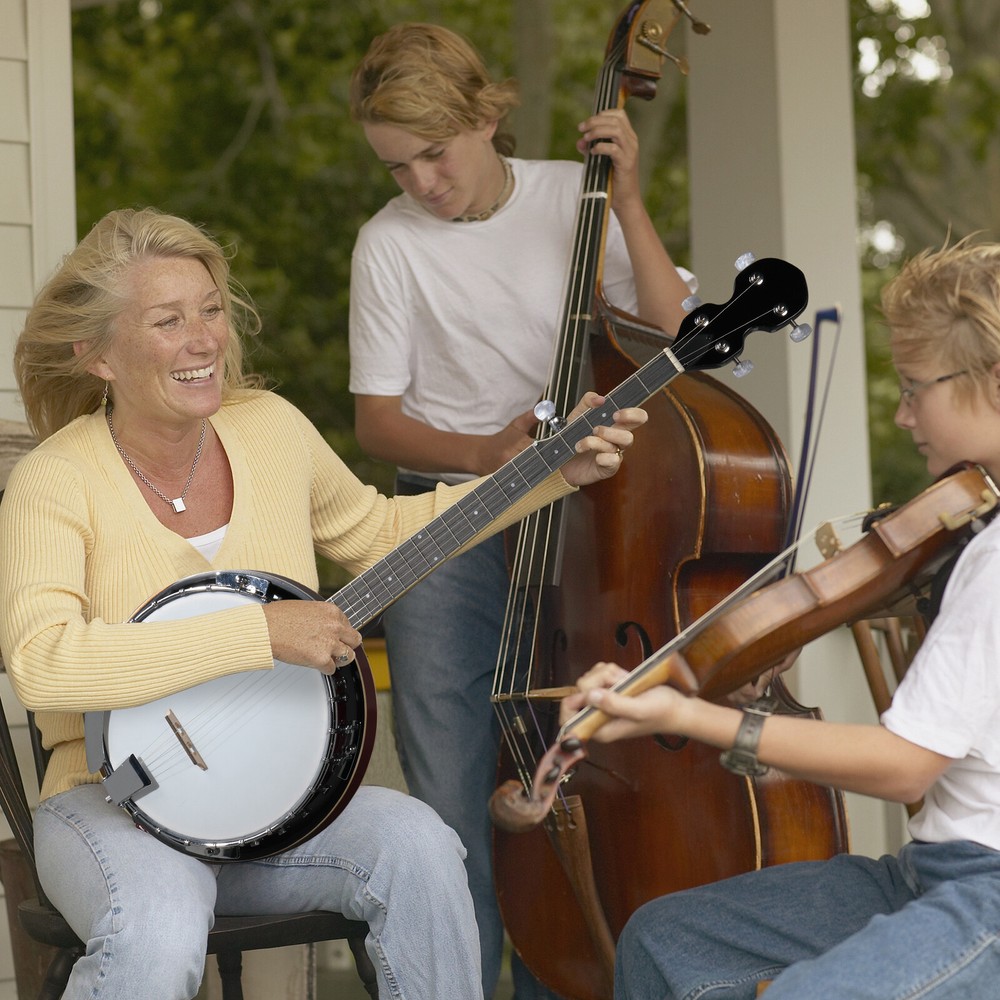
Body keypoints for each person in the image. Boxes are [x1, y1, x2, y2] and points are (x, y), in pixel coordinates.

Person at [0, 206, 646, 1000]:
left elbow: (380, 533)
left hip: (274, 807)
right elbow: (43, 664)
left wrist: (549, 473)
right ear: (95, 355)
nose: (205, 340)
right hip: (113, 804)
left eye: (211, 311)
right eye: (169, 322)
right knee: (159, 925)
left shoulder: (270, 428)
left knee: (419, 844)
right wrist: (258, 632)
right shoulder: (54, 480)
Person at [545, 238, 1000, 999]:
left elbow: (906, 765)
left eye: (915, 387)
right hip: (930, 871)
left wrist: (691, 713)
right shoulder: (974, 530)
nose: (901, 411)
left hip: (986, 891)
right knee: (667, 941)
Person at [347, 23, 695, 998]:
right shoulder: (386, 246)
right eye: (397, 164)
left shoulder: (571, 191)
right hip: (452, 517)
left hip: (585, 511)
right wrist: (488, 456)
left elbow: (676, 335)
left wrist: (624, 201)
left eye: (434, 152)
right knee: (451, 782)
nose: (420, 181)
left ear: (486, 116)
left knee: (583, 768)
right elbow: (378, 421)